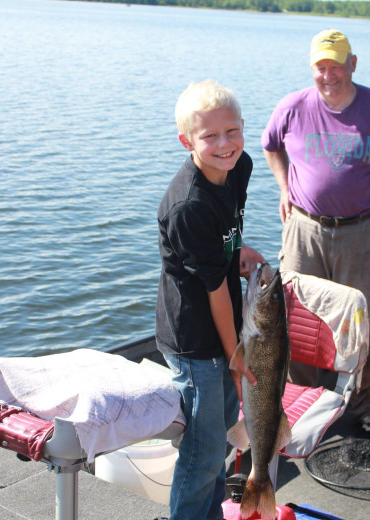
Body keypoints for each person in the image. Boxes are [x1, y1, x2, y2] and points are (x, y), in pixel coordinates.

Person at [261, 29, 370, 434]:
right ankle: (302, 399)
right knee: (296, 315)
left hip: (361, 234)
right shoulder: (293, 106)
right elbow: (270, 145)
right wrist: (284, 187)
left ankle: (369, 405)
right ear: (312, 68)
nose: (328, 75)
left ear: (353, 63)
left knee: (366, 319)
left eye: (336, 66)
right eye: (320, 67)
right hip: (304, 230)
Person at [156, 79, 264, 520]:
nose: (224, 144)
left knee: (219, 439)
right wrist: (235, 353)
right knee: (201, 453)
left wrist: (238, 252)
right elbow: (216, 290)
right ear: (187, 141)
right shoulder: (188, 205)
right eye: (210, 136)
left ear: (242, 128)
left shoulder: (239, 168)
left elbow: (224, 240)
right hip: (196, 340)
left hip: (224, 330)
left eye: (232, 131)